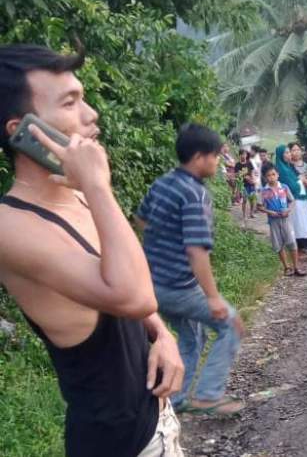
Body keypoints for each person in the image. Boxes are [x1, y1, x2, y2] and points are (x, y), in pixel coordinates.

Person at [0, 44, 184, 457]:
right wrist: (99, 186)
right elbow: (134, 296)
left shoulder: (78, 194)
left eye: (84, 97)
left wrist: (161, 333)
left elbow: (130, 284)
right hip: (119, 443)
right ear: (23, 130)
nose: (91, 114)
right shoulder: (11, 227)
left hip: (156, 421)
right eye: (70, 103)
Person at [137, 124, 245, 417]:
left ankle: (176, 398)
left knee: (192, 337)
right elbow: (197, 251)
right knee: (230, 324)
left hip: (151, 282)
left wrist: (161, 249)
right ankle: (209, 395)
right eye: (215, 156)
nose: (218, 162)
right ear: (199, 157)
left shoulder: (162, 183)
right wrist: (213, 298)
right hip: (177, 286)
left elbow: (141, 221)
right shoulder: (195, 194)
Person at [262, 166, 306, 276]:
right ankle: (286, 267)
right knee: (279, 244)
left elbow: (292, 201)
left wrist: (288, 210)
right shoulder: (264, 191)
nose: (271, 177)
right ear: (265, 178)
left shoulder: (284, 187)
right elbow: (259, 206)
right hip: (273, 221)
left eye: (273, 174)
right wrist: (269, 212)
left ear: (278, 175)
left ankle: (296, 267)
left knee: (292, 242)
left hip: (286, 219)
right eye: (268, 175)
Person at [275, 144, 307, 253]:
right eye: (286, 152)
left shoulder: (289, 166)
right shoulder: (281, 169)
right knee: (298, 222)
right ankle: (300, 246)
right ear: (281, 155)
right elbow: (290, 185)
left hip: (300, 198)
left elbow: (298, 178)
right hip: (294, 199)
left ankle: (305, 244)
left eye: (289, 152)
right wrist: (300, 180)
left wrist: (302, 180)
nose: (289, 154)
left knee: (303, 221)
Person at [234, 149, 257, 224]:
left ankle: (251, 213)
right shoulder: (237, 165)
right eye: (242, 154)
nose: (244, 156)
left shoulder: (249, 163)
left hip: (251, 184)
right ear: (239, 155)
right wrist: (243, 176)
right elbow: (236, 175)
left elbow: (252, 172)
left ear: (246, 155)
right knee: (244, 200)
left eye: (245, 154)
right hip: (243, 185)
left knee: (252, 199)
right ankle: (244, 215)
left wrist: (253, 179)